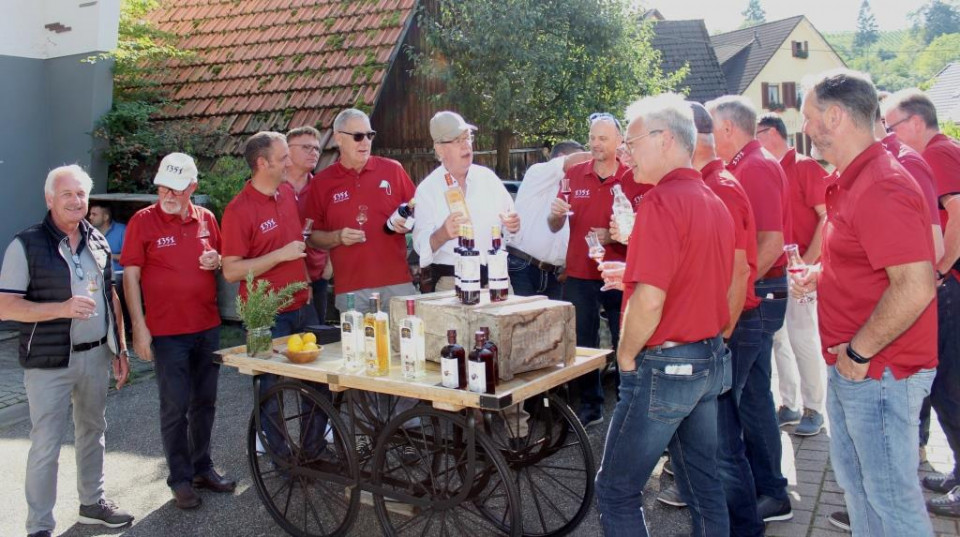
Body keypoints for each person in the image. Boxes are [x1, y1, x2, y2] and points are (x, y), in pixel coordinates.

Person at [795, 68, 937, 536]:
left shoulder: (880, 183)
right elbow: (873, 262)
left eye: (809, 117)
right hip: (859, 367)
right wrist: (824, 275)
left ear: (835, 117)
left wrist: (858, 353)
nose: (806, 129)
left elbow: (915, 286)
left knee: (891, 502)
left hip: (878, 371)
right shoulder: (855, 179)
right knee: (860, 492)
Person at [594, 92, 734, 537]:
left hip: (669, 363)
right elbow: (704, 279)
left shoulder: (659, 203)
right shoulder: (713, 200)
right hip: (707, 357)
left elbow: (651, 300)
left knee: (616, 490)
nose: (624, 154)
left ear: (666, 139)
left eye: (631, 143)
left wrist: (627, 355)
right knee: (702, 482)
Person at [0, 165, 134, 537]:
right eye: (67, 194)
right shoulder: (25, 244)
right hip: (48, 363)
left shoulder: (98, 241)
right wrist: (59, 308)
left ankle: (92, 504)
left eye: (81, 194)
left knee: (93, 432)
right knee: (47, 444)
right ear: (49, 199)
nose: (76, 201)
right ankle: (40, 526)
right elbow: (5, 306)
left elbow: (111, 297)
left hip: (96, 356)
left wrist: (120, 348)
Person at [653, 102, 765, 535]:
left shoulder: (720, 186)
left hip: (729, 329)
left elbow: (739, 270)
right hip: (719, 330)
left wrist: (721, 333)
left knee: (721, 445)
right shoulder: (708, 183)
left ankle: (744, 529)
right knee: (711, 444)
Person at [120, 152, 234, 510]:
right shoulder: (143, 221)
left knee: (205, 403)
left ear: (193, 189)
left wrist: (216, 260)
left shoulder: (206, 219)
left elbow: (218, 258)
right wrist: (139, 328)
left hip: (207, 326)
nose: (168, 195)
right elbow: (131, 276)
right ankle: (180, 478)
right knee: (175, 406)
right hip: (167, 333)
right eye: (163, 187)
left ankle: (203, 467)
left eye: (177, 189)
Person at [706, 95, 793, 521]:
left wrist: (735, 290)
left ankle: (748, 494)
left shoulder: (754, 166)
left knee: (732, 402)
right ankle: (769, 489)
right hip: (758, 292)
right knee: (754, 399)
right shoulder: (745, 164)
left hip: (758, 295)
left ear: (726, 129)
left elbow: (771, 241)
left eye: (709, 128)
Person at [221, 131, 328, 463]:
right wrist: (280, 255)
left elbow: (297, 245)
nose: (289, 162)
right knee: (269, 389)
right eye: (282, 158)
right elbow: (231, 271)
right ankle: (283, 459)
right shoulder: (239, 209)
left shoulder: (286, 193)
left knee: (319, 384)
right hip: (265, 315)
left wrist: (307, 283)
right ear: (261, 162)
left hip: (301, 305)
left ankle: (312, 452)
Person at [883, 88, 960, 518]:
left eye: (892, 128)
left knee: (951, 390)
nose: (890, 137)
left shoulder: (936, 153)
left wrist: (941, 267)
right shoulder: (944, 151)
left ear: (914, 123)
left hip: (955, 284)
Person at [547, 113, 645, 428]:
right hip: (579, 272)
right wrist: (555, 215)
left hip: (619, 272)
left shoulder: (633, 177)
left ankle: (629, 403)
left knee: (625, 338)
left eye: (603, 138)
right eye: (592, 137)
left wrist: (614, 234)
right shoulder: (574, 174)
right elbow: (554, 224)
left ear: (618, 142)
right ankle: (591, 406)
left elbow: (646, 228)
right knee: (583, 343)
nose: (596, 143)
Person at [756, 113, 829, 437]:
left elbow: (827, 218)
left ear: (771, 133)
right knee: (779, 338)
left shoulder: (804, 167)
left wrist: (806, 263)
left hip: (800, 268)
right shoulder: (769, 168)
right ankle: (789, 405)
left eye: (756, 133)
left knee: (803, 337)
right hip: (776, 268)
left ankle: (814, 407)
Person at [306, 109, 418, 314]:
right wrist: (337, 237)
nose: (365, 142)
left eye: (369, 135)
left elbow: (417, 210)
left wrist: (408, 224)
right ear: (339, 138)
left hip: (398, 283)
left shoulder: (393, 170)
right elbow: (311, 237)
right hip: (351, 289)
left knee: (408, 343)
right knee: (358, 346)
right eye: (358, 136)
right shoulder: (322, 183)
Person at [412, 111, 520, 293]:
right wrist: (443, 234)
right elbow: (420, 246)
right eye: (457, 140)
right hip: (452, 285)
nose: (466, 145)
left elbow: (511, 229)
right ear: (439, 148)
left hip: (497, 279)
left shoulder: (488, 178)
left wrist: (513, 225)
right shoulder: (427, 190)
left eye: (468, 137)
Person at [508, 140, 589, 299]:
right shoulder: (537, 172)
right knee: (522, 323)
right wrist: (606, 153)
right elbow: (571, 163)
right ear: (560, 158)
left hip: (554, 275)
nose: (585, 167)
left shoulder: (575, 189)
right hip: (523, 267)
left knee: (552, 324)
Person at [286, 126, 331, 323]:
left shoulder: (322, 188)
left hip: (318, 274)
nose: (314, 152)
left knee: (316, 337)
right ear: (287, 150)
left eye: (316, 148)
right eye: (306, 147)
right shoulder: (274, 188)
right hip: (283, 278)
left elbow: (334, 226)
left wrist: (330, 267)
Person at [87, 204, 125, 275]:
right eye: (90, 214)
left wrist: (107, 255)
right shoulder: (88, 231)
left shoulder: (122, 230)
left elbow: (129, 257)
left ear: (105, 217)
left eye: (94, 214)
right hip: (94, 275)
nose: (90, 217)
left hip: (118, 276)